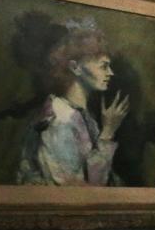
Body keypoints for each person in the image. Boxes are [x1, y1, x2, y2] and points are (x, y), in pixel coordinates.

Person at [13, 15, 130, 186]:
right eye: (104, 66)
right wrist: (108, 132)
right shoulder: (60, 121)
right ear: (75, 68)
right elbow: (79, 191)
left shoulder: (78, 114)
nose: (111, 73)